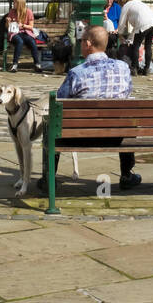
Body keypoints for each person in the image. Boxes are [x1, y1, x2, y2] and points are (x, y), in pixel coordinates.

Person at [39, 24, 140, 191]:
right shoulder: (123, 68)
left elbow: (59, 103)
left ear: (88, 44)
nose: (79, 44)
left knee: (50, 126)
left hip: (79, 136)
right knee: (126, 120)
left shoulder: (77, 73)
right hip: (117, 136)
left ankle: (49, 178)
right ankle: (127, 174)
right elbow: (127, 93)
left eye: (81, 40)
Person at [117, 0, 153, 76]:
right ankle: (146, 69)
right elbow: (136, 28)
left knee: (136, 46)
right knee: (148, 46)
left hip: (143, 23)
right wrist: (130, 37)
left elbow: (122, 23)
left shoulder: (126, 6)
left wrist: (119, 33)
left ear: (121, 2)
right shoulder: (137, 2)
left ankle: (134, 68)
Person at [5, 0, 43, 73]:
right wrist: (8, 22)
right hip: (14, 33)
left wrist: (22, 25)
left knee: (32, 42)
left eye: (14, 3)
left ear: (19, 4)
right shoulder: (12, 11)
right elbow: (7, 27)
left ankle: (37, 64)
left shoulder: (28, 12)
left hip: (26, 32)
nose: (13, 4)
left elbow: (31, 26)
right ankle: (15, 65)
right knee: (20, 42)